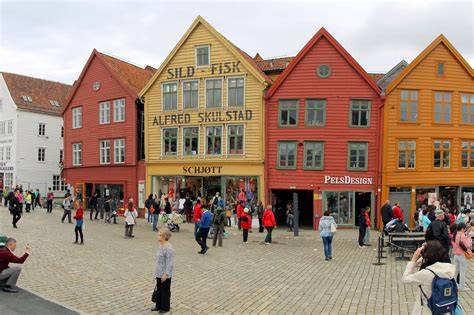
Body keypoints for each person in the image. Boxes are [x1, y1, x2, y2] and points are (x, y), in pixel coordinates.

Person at [401, 241, 454, 314]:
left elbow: (405, 279)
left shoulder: (426, 273)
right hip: (444, 307)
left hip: (427, 309)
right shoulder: (450, 269)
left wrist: (414, 259)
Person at [151, 228, 173, 313]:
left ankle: (165, 307)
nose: (157, 236)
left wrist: (166, 274)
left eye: (159, 235)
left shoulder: (168, 248)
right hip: (159, 272)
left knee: (165, 291)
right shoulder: (161, 245)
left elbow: (169, 262)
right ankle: (158, 305)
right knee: (159, 289)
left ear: (164, 237)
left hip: (164, 274)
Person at [452, 223, 471, 291]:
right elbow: (468, 245)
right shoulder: (462, 235)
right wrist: (468, 239)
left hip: (455, 255)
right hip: (462, 255)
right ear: (463, 228)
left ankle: (453, 285)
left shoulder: (455, 235)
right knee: (462, 272)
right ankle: (462, 287)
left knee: (456, 272)